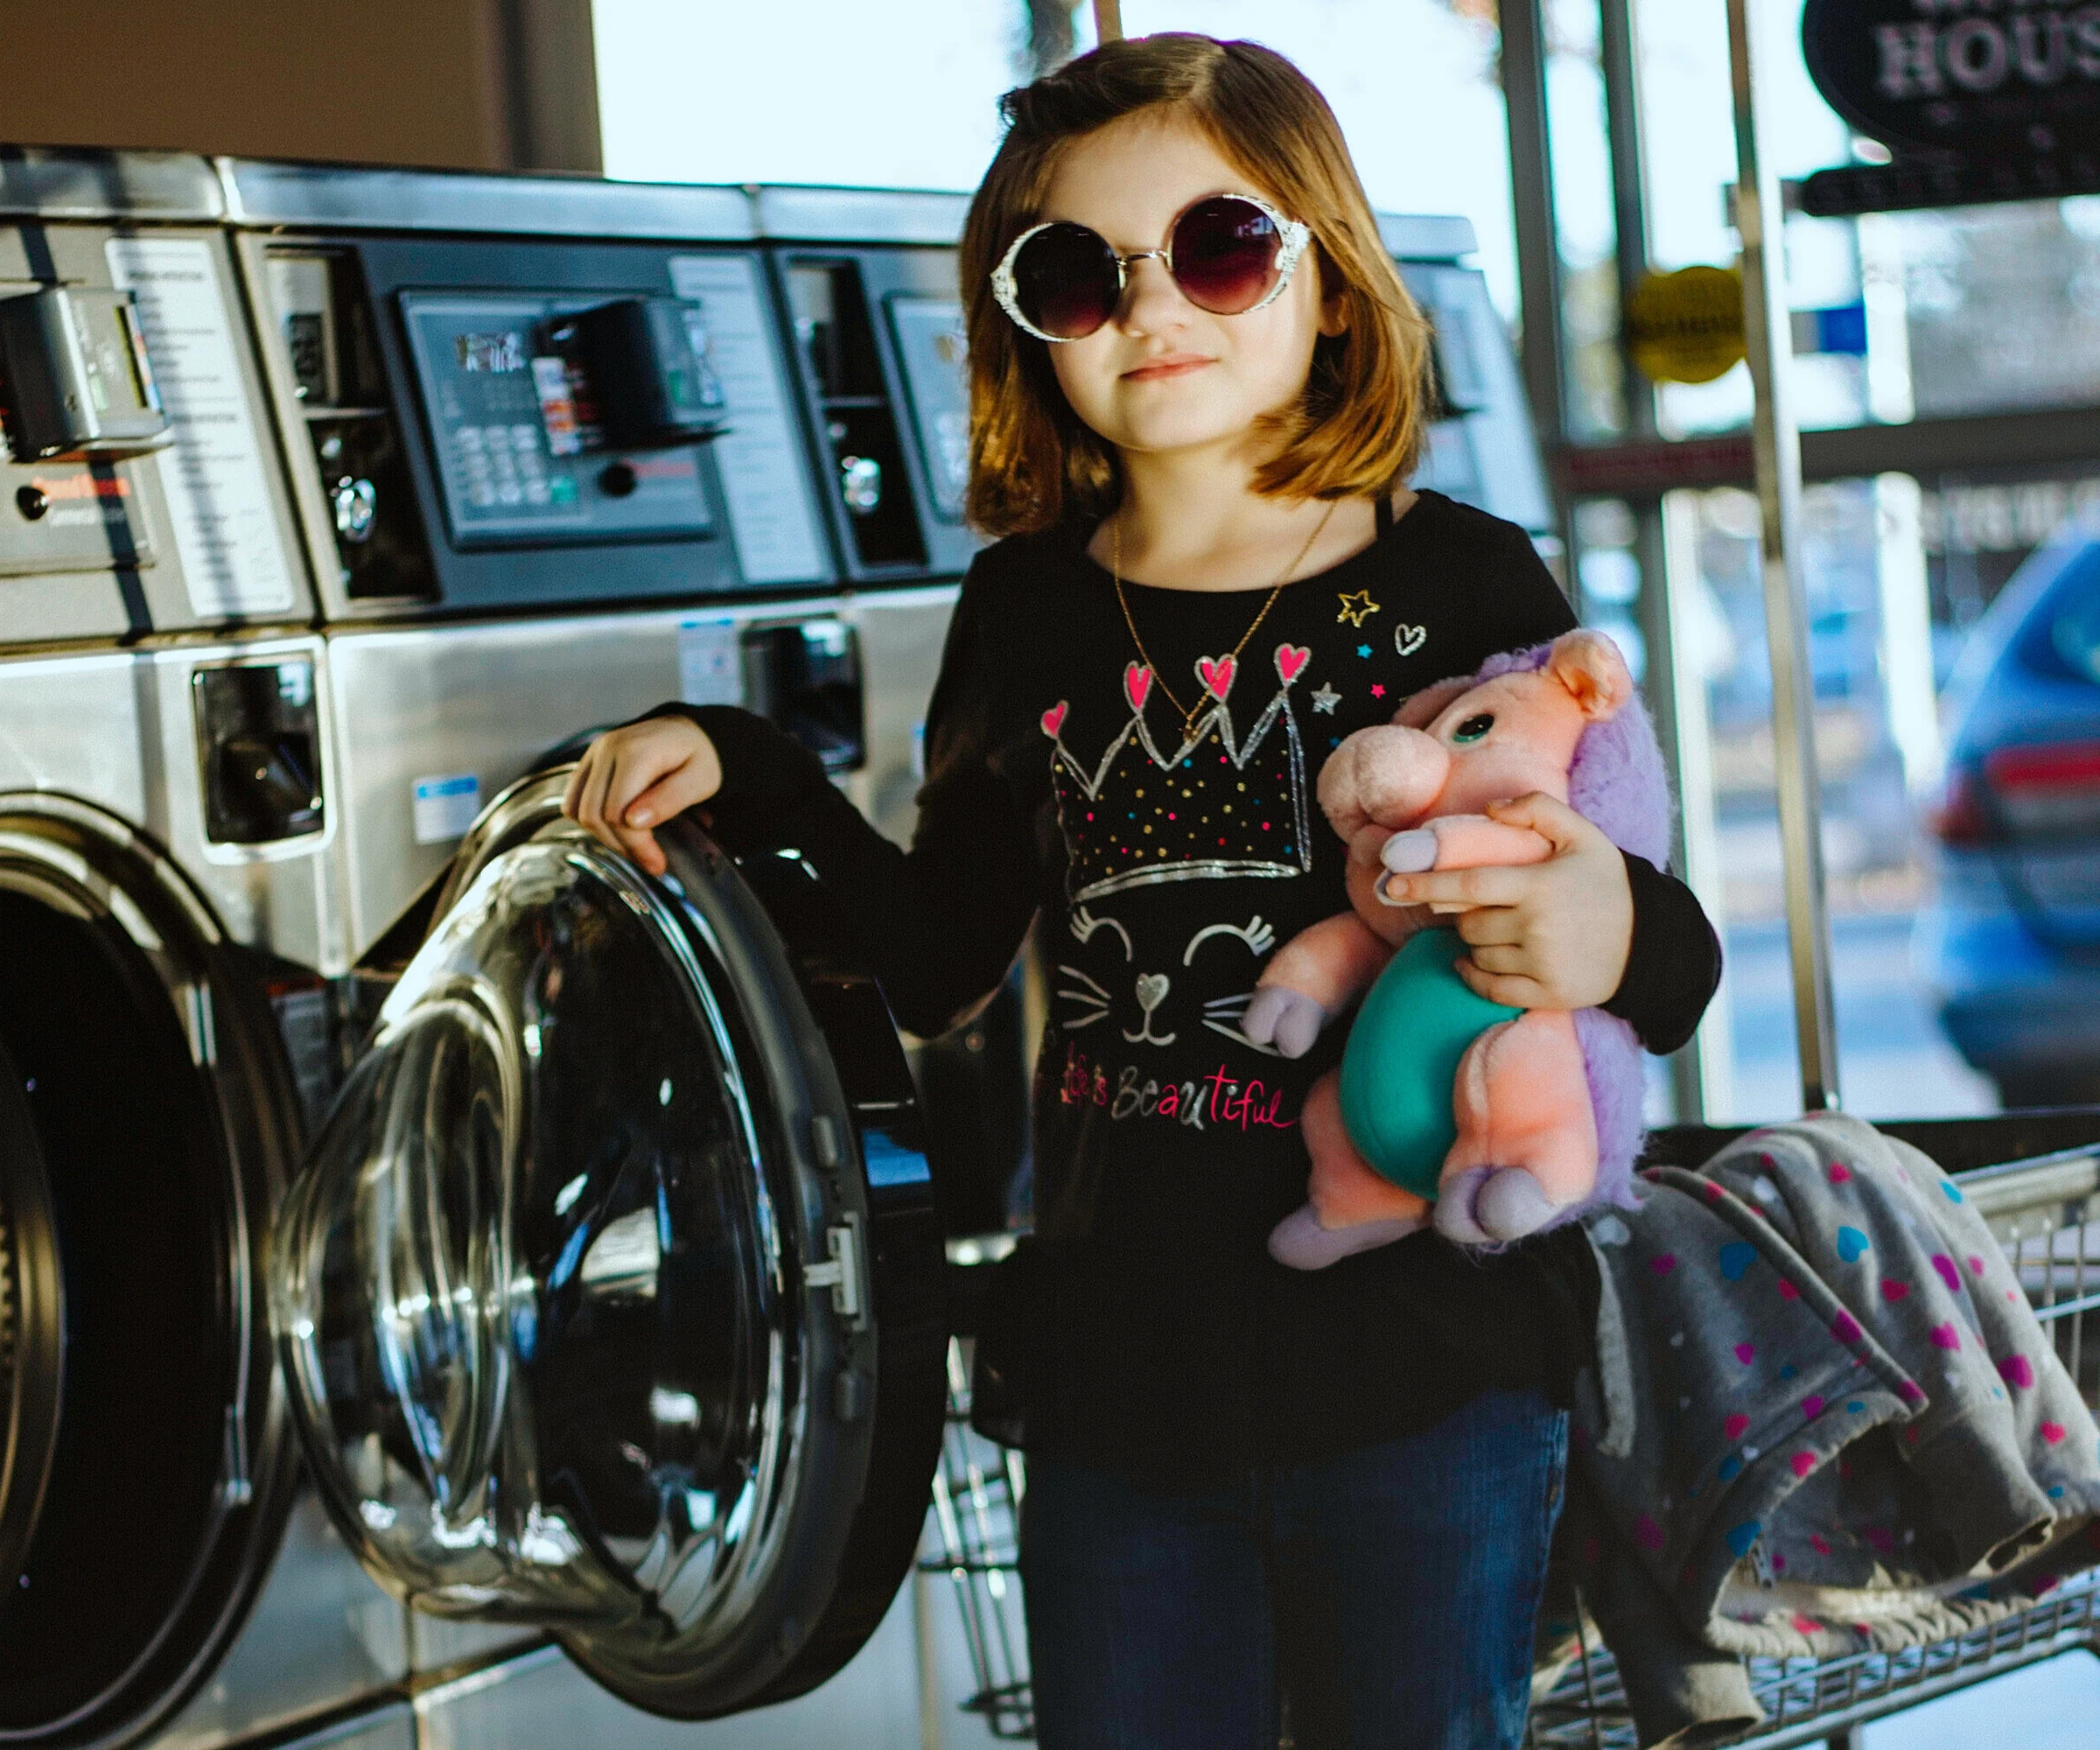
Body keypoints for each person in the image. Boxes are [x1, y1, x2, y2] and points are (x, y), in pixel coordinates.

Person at [564, 33, 1720, 1750]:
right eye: (1074, 276)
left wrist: (1607, 928)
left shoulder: (1459, 579)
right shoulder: (1023, 609)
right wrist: (756, 761)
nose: (1153, 306)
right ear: (1027, 329)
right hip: (1118, 1373)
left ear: (1325, 281)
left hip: (1420, 1364)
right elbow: (942, 956)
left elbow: (1665, 957)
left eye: (1219, 245)